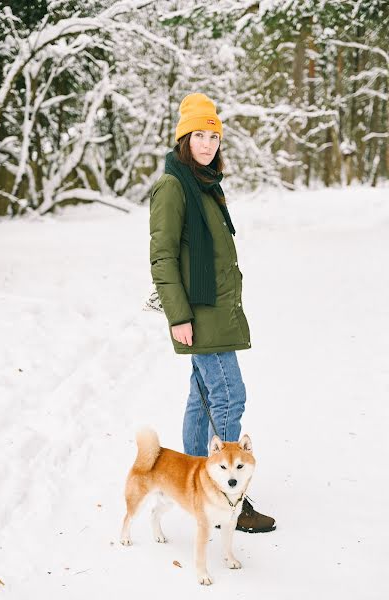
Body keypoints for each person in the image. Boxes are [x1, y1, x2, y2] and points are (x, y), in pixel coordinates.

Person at [149, 93, 275, 533]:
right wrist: (178, 315)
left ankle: (193, 483)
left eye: (213, 136)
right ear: (185, 138)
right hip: (199, 314)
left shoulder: (205, 184)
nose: (207, 143)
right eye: (199, 135)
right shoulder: (174, 186)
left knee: (201, 398)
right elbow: (163, 256)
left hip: (217, 310)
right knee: (228, 395)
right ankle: (227, 491)